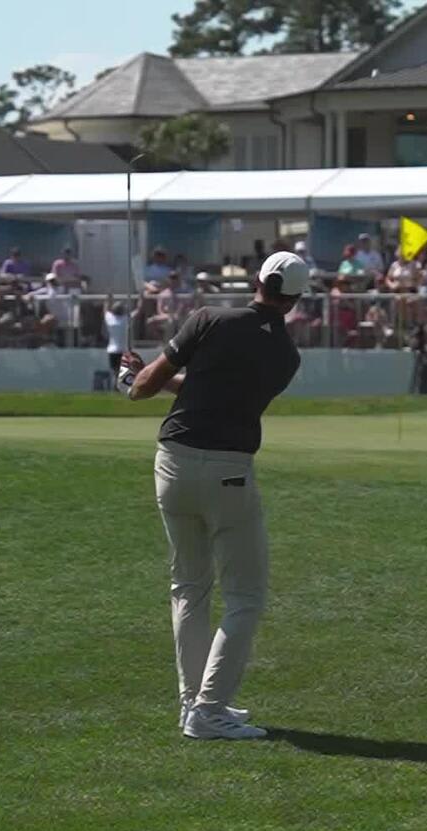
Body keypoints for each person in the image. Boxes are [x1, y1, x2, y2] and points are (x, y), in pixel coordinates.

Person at [117, 251, 306, 741]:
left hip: (173, 461)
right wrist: (145, 383)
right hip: (228, 471)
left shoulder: (207, 319)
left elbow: (152, 386)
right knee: (244, 595)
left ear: (259, 280)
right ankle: (209, 708)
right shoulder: (287, 356)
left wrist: (131, 381)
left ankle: (192, 704)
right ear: (295, 299)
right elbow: (217, 391)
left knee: (189, 587)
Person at [103, 300, 129, 382]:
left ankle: (115, 385)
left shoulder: (110, 320)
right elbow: (136, 312)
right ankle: (118, 385)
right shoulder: (125, 320)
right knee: (122, 370)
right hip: (122, 349)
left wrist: (108, 300)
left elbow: (105, 310)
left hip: (112, 349)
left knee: (115, 370)